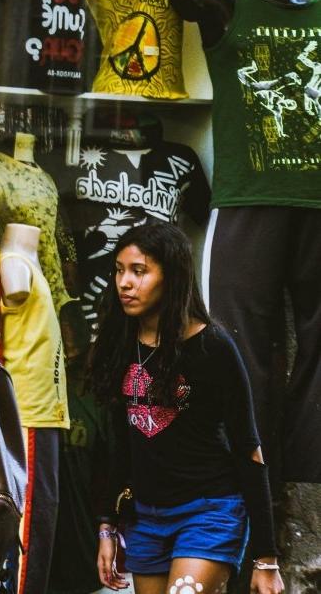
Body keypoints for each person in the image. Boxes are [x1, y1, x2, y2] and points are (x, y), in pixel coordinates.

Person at [88, 221, 283, 594]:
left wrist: (266, 556)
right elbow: (120, 444)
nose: (124, 282)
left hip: (208, 513)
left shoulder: (213, 347)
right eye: (119, 270)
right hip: (145, 520)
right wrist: (107, 526)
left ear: (172, 276)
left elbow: (249, 449)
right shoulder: (120, 342)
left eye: (139, 271)